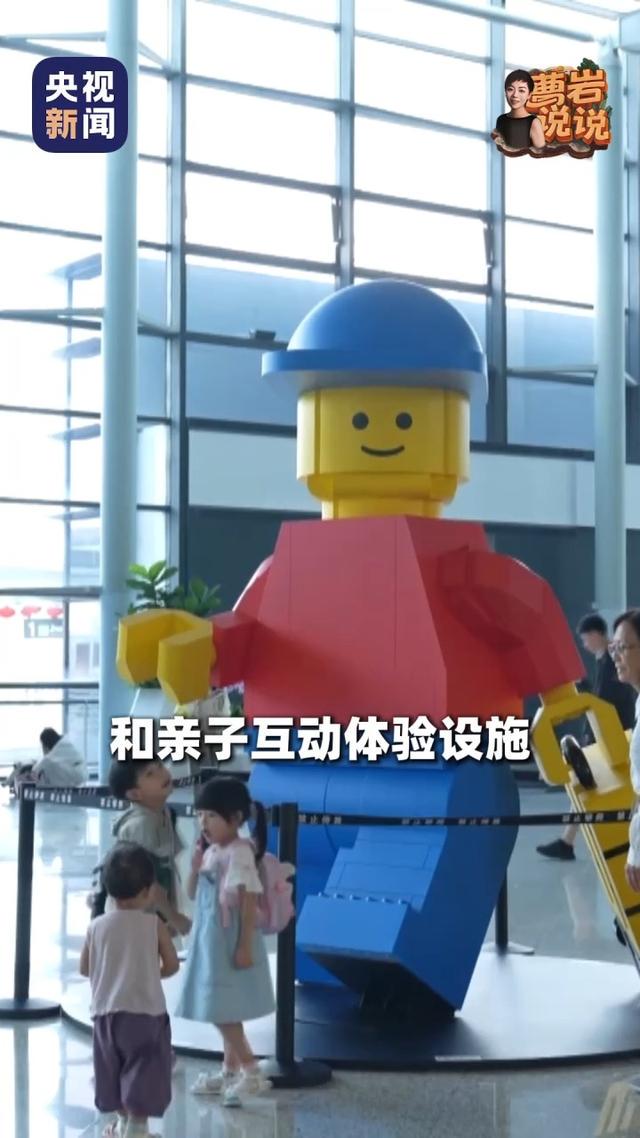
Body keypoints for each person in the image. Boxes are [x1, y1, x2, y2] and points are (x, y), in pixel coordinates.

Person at [176, 776, 274, 1107]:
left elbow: (247, 900)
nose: (203, 822)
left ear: (235, 818)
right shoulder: (213, 851)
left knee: (218, 1006)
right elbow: (191, 893)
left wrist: (243, 946)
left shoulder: (240, 853)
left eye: (211, 815)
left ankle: (251, 1069)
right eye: (199, 814)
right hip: (210, 938)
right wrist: (194, 867)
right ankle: (230, 1071)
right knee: (226, 1004)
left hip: (228, 939)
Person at [79, 842, 179, 1138]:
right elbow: (172, 965)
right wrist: (148, 973)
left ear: (109, 891)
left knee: (112, 1070)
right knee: (145, 1071)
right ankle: (136, 1128)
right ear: (149, 891)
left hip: (105, 1015)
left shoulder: (96, 926)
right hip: (145, 1013)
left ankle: (123, 1124)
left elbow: (85, 968)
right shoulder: (154, 924)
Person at [538, 613, 636, 861]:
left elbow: (607, 702)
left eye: (623, 647)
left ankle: (567, 842)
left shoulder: (610, 666)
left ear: (595, 634)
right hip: (609, 738)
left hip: (614, 739)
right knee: (586, 791)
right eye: (615, 648)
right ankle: (567, 841)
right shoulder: (605, 664)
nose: (617, 655)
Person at [106, 758, 191, 937]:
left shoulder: (163, 812)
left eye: (159, 766)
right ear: (135, 794)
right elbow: (147, 883)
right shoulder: (141, 826)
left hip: (154, 913)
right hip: (135, 919)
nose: (161, 774)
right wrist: (174, 918)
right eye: (150, 774)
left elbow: (168, 867)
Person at [9, 727, 87, 794]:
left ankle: (18, 785)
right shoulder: (64, 745)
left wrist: (29, 769)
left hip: (74, 777)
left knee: (43, 771)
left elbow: (37, 768)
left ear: (45, 745)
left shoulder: (54, 754)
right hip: (81, 774)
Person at [492, 69, 545, 151]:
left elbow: (540, 152)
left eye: (521, 90)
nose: (515, 95)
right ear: (505, 92)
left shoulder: (533, 122)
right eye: (510, 89)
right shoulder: (501, 119)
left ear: (529, 95)